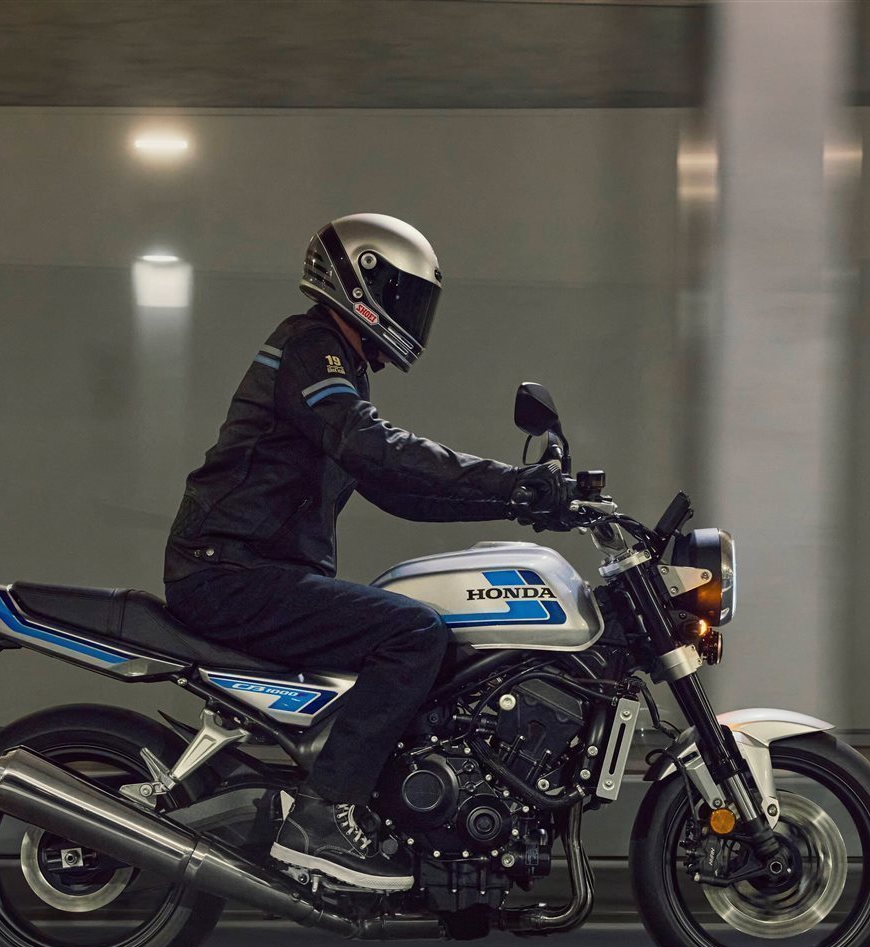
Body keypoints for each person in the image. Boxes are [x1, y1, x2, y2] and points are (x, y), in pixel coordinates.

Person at [160, 213, 572, 891]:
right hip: (230, 571)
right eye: (406, 294)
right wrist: (511, 480)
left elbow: (396, 488)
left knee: (414, 626)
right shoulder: (311, 347)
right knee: (414, 633)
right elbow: (375, 448)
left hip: (251, 570)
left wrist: (516, 500)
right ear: (361, 282)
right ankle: (321, 816)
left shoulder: (338, 364)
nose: (412, 313)